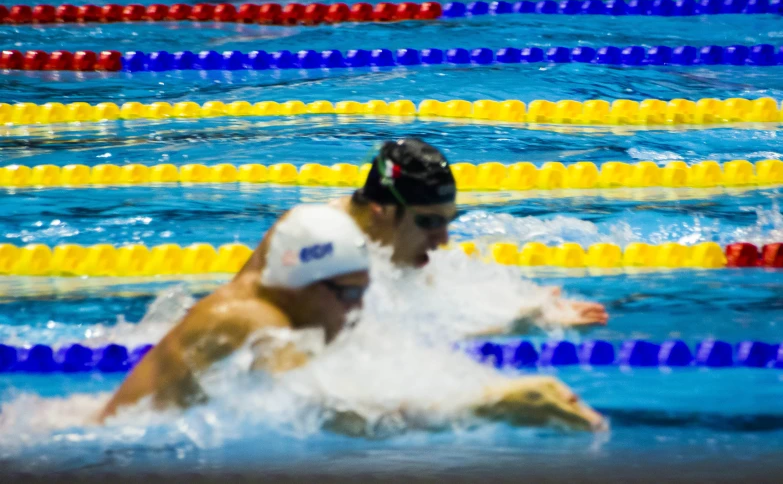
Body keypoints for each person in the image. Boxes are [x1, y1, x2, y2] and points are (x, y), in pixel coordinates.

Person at [99, 204, 605, 433]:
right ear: (308, 285)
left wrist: (516, 319)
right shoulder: (250, 319)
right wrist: (490, 404)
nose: (357, 309)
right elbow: (327, 412)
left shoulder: (290, 308)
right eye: (349, 295)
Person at [331, 138, 609, 329]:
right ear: (383, 211)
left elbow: (430, 298)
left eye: (448, 221)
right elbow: (383, 346)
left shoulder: (385, 243)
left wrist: (521, 304)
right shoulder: (323, 250)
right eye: (429, 222)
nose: (443, 240)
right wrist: (511, 324)